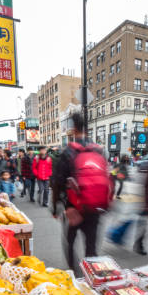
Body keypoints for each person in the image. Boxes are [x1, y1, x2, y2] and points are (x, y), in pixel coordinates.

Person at [52, 112, 112, 271]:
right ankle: (91, 275)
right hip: (95, 207)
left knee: (70, 242)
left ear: (73, 129)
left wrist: (57, 207)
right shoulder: (99, 151)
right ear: (87, 128)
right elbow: (107, 177)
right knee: (91, 245)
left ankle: (74, 272)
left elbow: (57, 181)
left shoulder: (68, 152)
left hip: (74, 207)